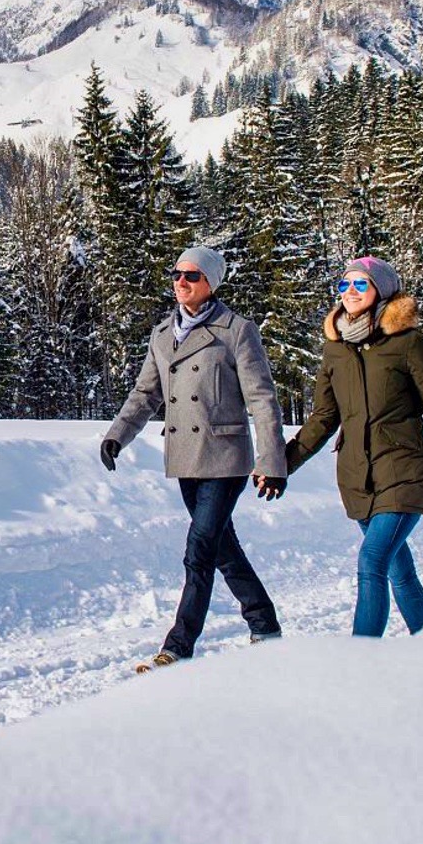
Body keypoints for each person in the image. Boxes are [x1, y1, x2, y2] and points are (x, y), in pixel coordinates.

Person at [283, 256, 423, 638]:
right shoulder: (335, 349)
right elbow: (322, 419)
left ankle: (361, 660)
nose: (350, 292)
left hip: (403, 472)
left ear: (380, 289)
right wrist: (280, 465)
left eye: (360, 284)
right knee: (400, 571)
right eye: (344, 285)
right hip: (357, 478)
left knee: (372, 560)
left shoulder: (408, 343)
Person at [102, 244, 287, 672]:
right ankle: (264, 623)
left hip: (225, 456)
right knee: (222, 548)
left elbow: (262, 399)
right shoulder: (162, 334)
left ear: (210, 283)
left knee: (199, 549)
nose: (181, 282)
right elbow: (147, 393)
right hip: (185, 456)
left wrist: (271, 461)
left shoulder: (236, 330)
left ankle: (179, 647)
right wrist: (117, 435)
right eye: (177, 274)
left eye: (192, 275)